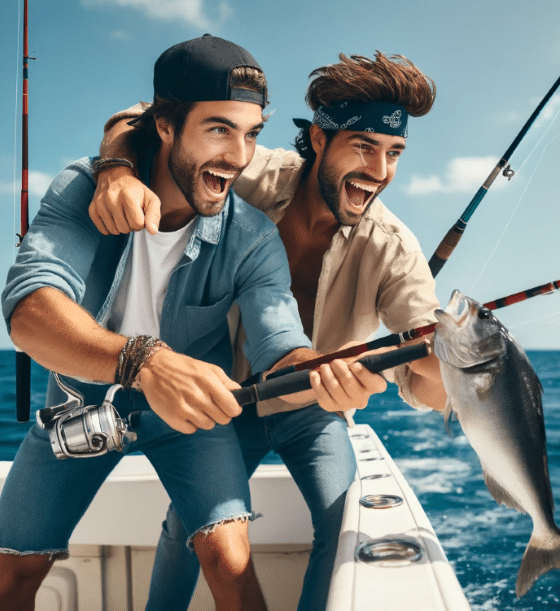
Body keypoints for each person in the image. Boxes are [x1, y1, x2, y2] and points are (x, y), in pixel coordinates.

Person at [0, 36, 386, 611]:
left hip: (191, 417)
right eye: (218, 129)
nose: (239, 155)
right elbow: (29, 313)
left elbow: (282, 342)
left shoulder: (253, 236)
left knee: (230, 565)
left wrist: (326, 371)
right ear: (164, 125)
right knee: (12, 576)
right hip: (80, 404)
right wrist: (144, 361)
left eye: (252, 133)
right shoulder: (85, 188)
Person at [89, 51, 447, 611]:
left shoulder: (396, 250)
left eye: (393, 153)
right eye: (363, 146)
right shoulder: (248, 169)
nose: (380, 171)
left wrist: (447, 371)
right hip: (226, 392)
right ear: (321, 139)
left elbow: (426, 384)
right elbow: (139, 118)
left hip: (313, 409)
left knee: (345, 518)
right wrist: (112, 169)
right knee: (191, 519)